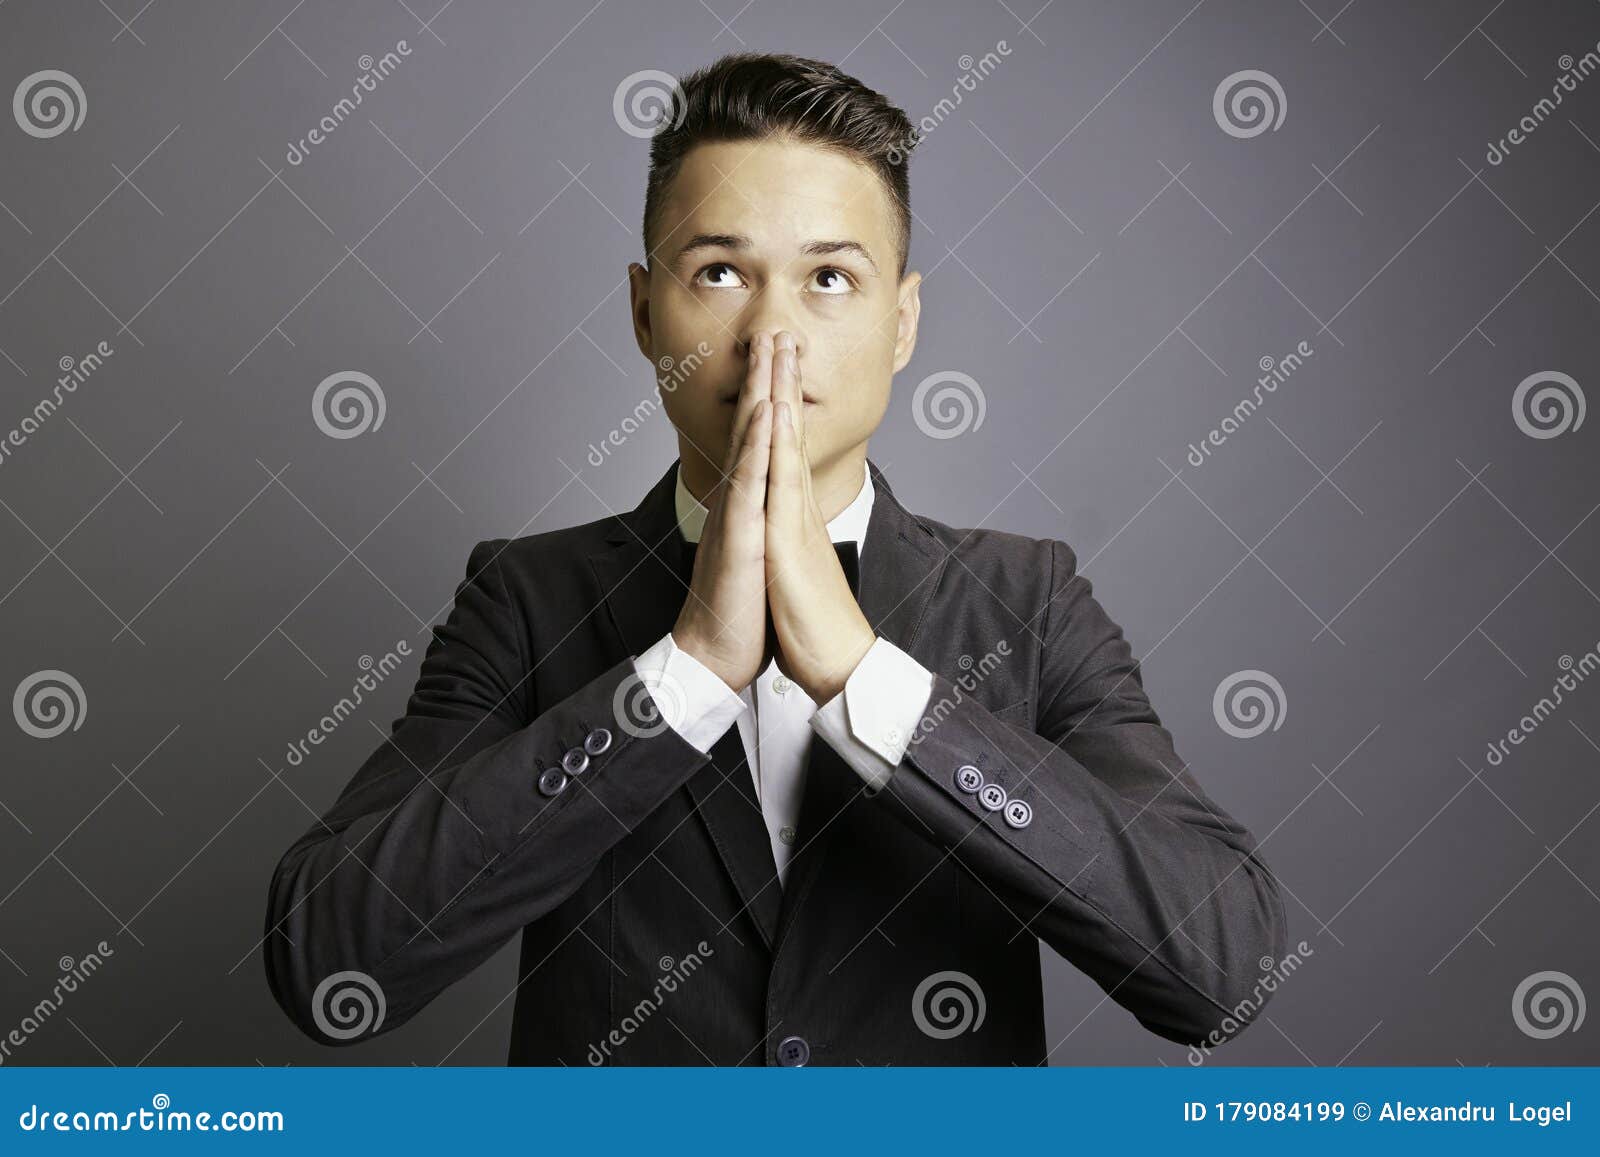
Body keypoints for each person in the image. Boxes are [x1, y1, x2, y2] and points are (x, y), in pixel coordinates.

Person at [263, 51, 1287, 1066]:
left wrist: (868, 680)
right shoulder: (527, 599)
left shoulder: (1029, 601)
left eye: (830, 278)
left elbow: (1219, 968)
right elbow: (327, 960)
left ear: (901, 320)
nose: (771, 336)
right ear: (642, 312)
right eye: (719, 273)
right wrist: (681, 676)